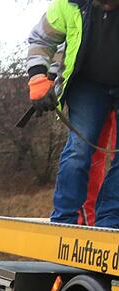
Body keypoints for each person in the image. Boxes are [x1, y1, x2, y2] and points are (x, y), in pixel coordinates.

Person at [27, 0, 119, 227]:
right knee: (78, 151)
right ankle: (64, 219)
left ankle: (110, 220)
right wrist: (39, 78)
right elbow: (42, 39)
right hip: (87, 85)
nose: (106, 7)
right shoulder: (68, 4)